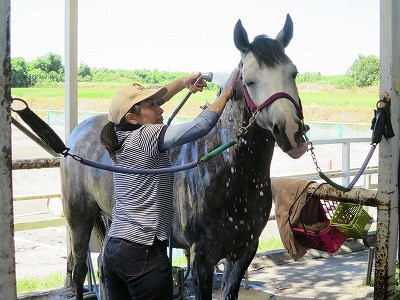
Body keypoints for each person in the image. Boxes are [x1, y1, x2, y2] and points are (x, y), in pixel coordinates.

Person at [100, 71, 238, 300]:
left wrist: (182, 84)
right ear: (132, 118)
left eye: (156, 103)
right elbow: (200, 126)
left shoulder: (117, 133)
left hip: (114, 250)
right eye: (152, 105)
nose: (160, 109)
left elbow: (156, 103)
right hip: (142, 252)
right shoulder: (146, 136)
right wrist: (227, 93)